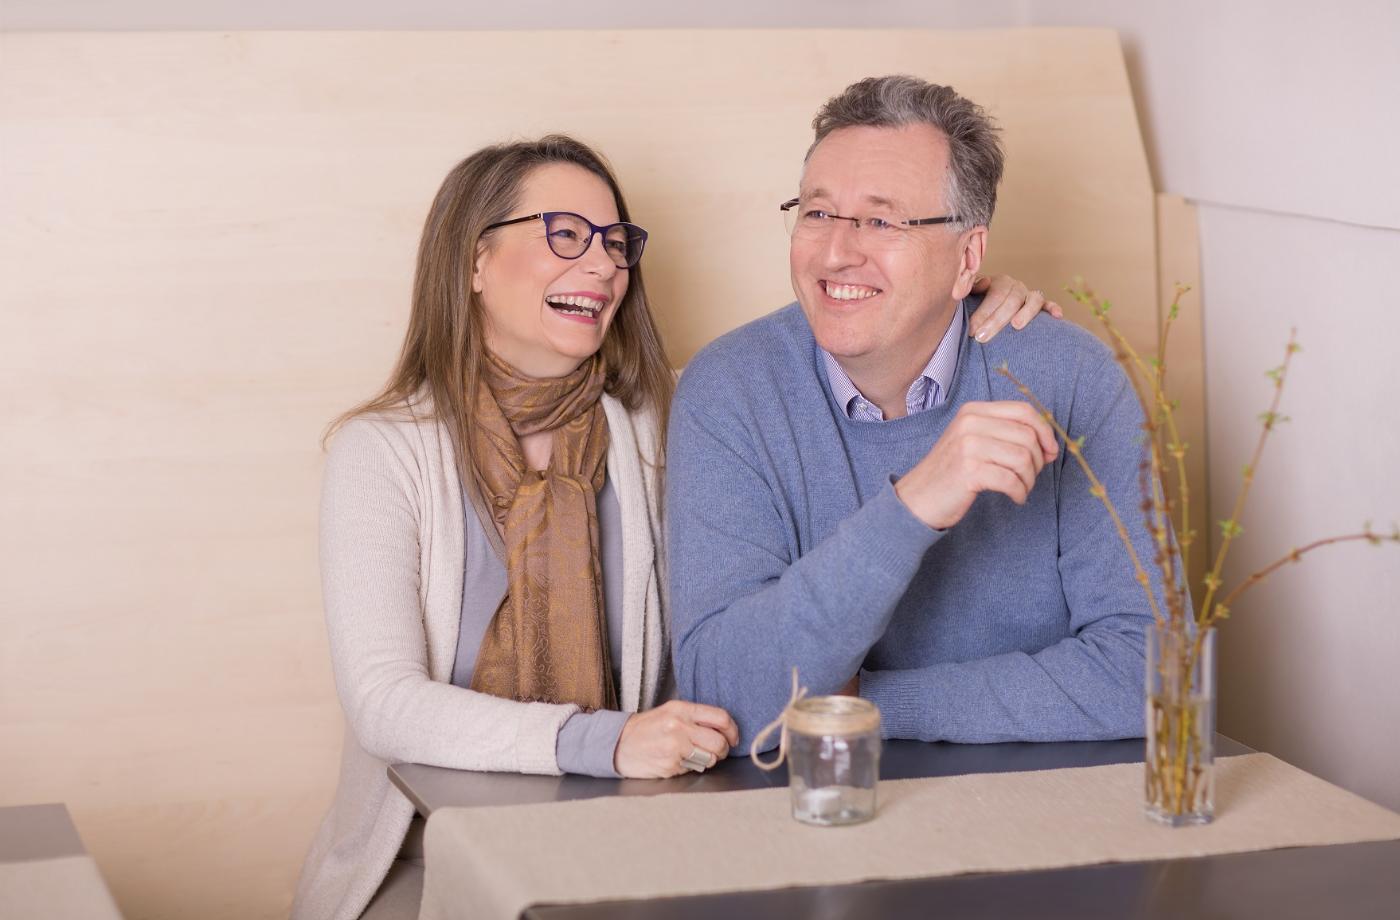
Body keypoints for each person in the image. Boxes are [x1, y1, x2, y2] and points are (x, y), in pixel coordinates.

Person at [292, 134, 1056, 920]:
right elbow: (385, 703)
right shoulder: (381, 453)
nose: (602, 266)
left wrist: (952, 301)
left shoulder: (675, 417)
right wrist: (604, 742)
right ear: (474, 261)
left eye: (614, 242)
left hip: (629, 841)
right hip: (427, 854)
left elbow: (830, 358)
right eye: (566, 235)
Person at [667, 75, 1172, 751]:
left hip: (1045, 799)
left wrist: (864, 705)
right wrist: (911, 507)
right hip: (811, 802)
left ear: (968, 259)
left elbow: (1152, 675)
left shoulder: (1070, 376)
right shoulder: (730, 390)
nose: (836, 252)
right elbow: (722, 696)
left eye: (882, 221)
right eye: (817, 213)